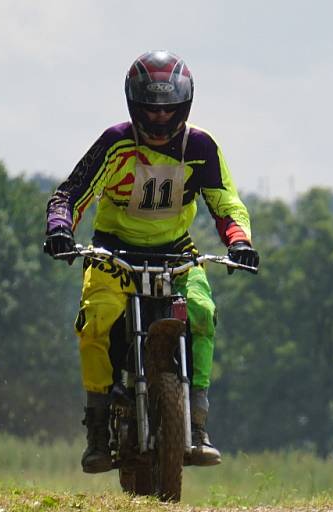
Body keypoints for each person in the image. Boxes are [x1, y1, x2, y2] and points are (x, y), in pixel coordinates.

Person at [43, 50, 259, 473]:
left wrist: (239, 241)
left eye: (168, 110)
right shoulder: (114, 142)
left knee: (202, 311)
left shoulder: (201, 146)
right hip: (112, 254)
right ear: (132, 105)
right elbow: (69, 193)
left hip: (177, 253)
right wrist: (59, 229)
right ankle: (98, 428)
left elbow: (225, 202)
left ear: (185, 106)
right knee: (97, 319)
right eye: (150, 110)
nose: (160, 120)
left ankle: (197, 423)